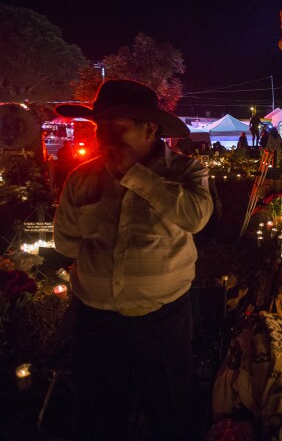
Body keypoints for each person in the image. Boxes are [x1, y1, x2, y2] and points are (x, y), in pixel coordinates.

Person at [53, 80, 213, 441]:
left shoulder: (187, 172)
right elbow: (66, 242)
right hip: (96, 321)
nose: (104, 135)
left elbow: (195, 217)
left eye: (116, 125)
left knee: (169, 411)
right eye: (100, 126)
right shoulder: (82, 178)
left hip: (162, 320)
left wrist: (135, 175)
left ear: (150, 128)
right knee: (98, 414)